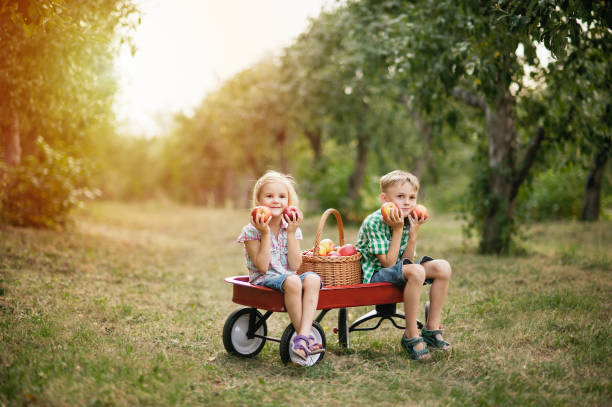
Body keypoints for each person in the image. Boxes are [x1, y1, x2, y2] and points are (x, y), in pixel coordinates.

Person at [356, 170, 452, 362]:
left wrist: (413, 235)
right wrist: (398, 229)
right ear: (385, 199)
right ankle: (410, 335)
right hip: (374, 274)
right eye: (400, 196)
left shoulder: (409, 217)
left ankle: (432, 330)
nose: (407, 202)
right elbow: (389, 264)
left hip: (398, 269)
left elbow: (405, 261)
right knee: (416, 270)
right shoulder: (375, 221)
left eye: (412, 197)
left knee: (443, 267)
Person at [237, 170, 323, 365]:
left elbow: (295, 265)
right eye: (269, 196)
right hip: (264, 278)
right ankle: (306, 337)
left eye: (282, 196)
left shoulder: (291, 227)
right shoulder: (251, 230)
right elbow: (261, 266)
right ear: (258, 202)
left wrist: (292, 233)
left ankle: (303, 335)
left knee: (313, 278)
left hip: (287, 277)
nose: (276, 200)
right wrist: (265, 234)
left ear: (289, 202)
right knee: (293, 280)